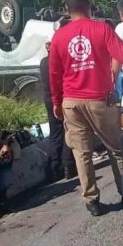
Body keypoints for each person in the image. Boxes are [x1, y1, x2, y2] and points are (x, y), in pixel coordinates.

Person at [49, 0, 123, 216]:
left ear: (67, 9)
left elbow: (54, 75)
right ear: (89, 4)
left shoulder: (59, 37)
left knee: (82, 152)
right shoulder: (101, 29)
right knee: (116, 149)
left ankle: (92, 201)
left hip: (71, 102)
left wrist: (57, 103)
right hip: (98, 100)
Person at [39, 40, 77, 180]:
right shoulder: (60, 60)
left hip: (49, 101)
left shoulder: (43, 62)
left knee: (55, 134)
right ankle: (68, 165)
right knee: (68, 131)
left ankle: (54, 167)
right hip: (62, 99)